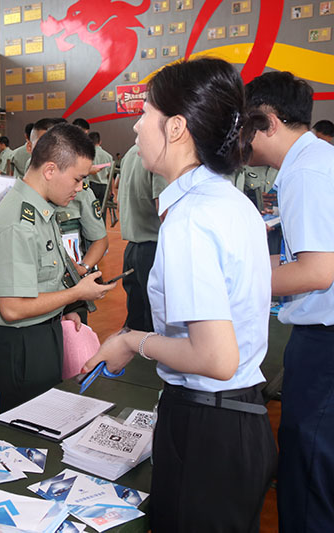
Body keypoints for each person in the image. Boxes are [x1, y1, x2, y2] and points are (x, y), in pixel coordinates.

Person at [85, 58, 277, 532]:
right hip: (237, 420)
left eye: (144, 112)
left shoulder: (192, 218)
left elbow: (215, 358)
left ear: (174, 127)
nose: (134, 124)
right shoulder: (229, 200)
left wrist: (132, 341)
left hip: (208, 429)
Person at [246, 71, 334, 532]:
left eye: (246, 125)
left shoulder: (306, 171)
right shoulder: (318, 158)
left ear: (270, 121)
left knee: (308, 466)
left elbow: (318, 271)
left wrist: (244, 282)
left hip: (326, 344)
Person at [0, 123, 114, 412]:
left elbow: (43, 279)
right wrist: (76, 294)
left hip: (43, 334)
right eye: (78, 179)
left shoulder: (39, 210)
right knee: (28, 433)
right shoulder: (19, 223)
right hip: (24, 346)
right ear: (51, 170)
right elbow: (13, 307)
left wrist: (65, 309)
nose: (80, 188)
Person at [31, 118, 108, 279]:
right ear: (30, 147)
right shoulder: (20, 194)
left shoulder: (80, 193)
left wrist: (83, 268)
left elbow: (99, 239)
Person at [117, 144, 167, 332]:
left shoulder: (131, 152)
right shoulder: (160, 153)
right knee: (157, 323)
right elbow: (164, 209)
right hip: (153, 250)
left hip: (132, 248)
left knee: (137, 319)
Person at [86, 131, 114, 210]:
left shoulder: (87, 155)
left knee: (91, 211)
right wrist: (111, 191)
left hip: (92, 185)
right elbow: (110, 175)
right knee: (102, 211)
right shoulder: (108, 156)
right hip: (104, 187)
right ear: (100, 142)